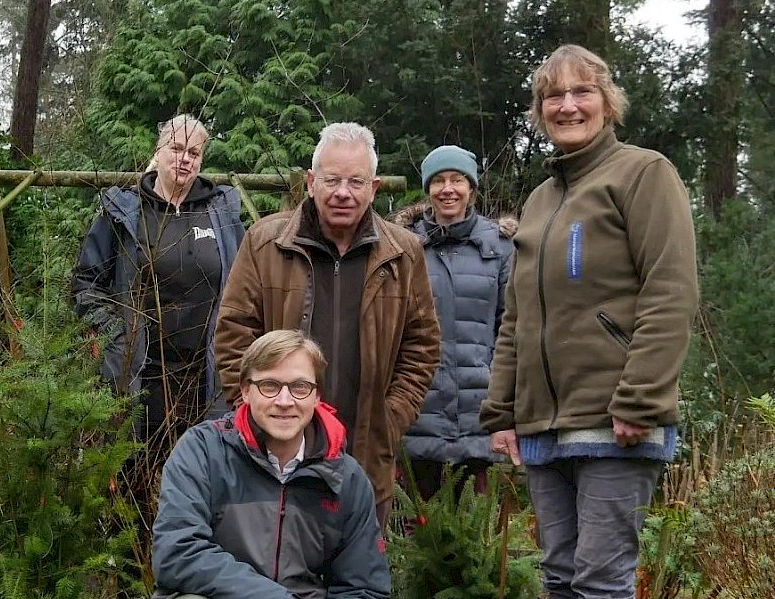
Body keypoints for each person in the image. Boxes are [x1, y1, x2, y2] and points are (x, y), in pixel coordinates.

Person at [480, 44, 698, 599]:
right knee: (560, 578)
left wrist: (641, 399)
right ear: (540, 110)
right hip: (543, 425)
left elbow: (670, 289)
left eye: (582, 92)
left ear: (607, 102)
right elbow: (516, 318)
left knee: (602, 581)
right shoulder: (541, 199)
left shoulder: (643, 172)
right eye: (554, 95)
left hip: (615, 416)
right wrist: (501, 411)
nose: (567, 105)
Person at [214, 121, 440, 527]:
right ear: (311, 181)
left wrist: (392, 417)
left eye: (356, 181)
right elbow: (234, 335)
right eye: (332, 179)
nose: (342, 192)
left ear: (373, 188)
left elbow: (421, 345)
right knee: (275, 575)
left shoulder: (403, 253)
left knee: (358, 580)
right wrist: (255, 410)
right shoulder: (266, 242)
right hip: (276, 449)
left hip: (366, 452)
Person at [147, 330, 390, 599]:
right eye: (270, 385)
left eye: (300, 387)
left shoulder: (347, 477)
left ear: (317, 396)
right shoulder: (202, 451)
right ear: (246, 391)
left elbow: (361, 589)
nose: (285, 401)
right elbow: (178, 552)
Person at [72, 114, 244, 530]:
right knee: (133, 479)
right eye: (176, 149)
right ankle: (131, 578)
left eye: (194, 153)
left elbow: (245, 284)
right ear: (159, 152)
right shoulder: (125, 211)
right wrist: (115, 335)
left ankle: (191, 573)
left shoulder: (222, 212)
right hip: (141, 375)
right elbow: (85, 284)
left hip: (203, 377)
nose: (184, 160)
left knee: (203, 482)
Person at [394, 145, 514, 502]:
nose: (448, 189)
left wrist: (506, 403)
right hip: (418, 411)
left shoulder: (501, 247)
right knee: (416, 525)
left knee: (474, 528)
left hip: (480, 410)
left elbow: (509, 326)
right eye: (439, 180)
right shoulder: (403, 246)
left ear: (471, 188)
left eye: (457, 180)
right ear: (428, 189)